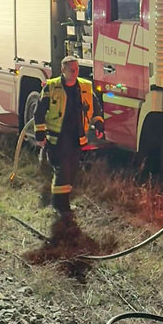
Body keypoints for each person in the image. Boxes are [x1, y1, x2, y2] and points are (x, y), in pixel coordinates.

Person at [34, 56, 104, 216]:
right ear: (63, 70)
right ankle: (60, 206)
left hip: (76, 137)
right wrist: (40, 133)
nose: (75, 71)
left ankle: (62, 204)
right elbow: (39, 111)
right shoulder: (51, 87)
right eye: (71, 69)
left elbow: (95, 107)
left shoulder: (85, 87)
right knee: (62, 170)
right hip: (57, 138)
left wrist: (98, 123)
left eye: (77, 68)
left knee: (71, 170)